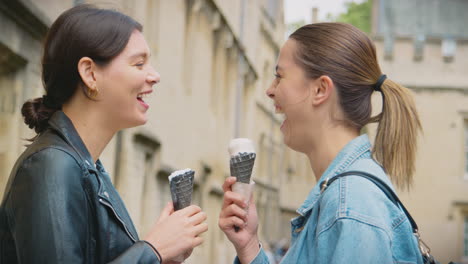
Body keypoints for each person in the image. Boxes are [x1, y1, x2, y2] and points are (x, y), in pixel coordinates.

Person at [0, 5, 207, 264]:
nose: (155, 76)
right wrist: (153, 250)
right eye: (139, 63)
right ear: (90, 73)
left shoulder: (87, 167)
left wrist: (162, 257)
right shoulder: (51, 165)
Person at [218, 22, 424, 264]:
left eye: (279, 76)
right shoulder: (344, 200)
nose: (270, 91)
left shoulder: (351, 207)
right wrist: (249, 246)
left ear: (320, 89)